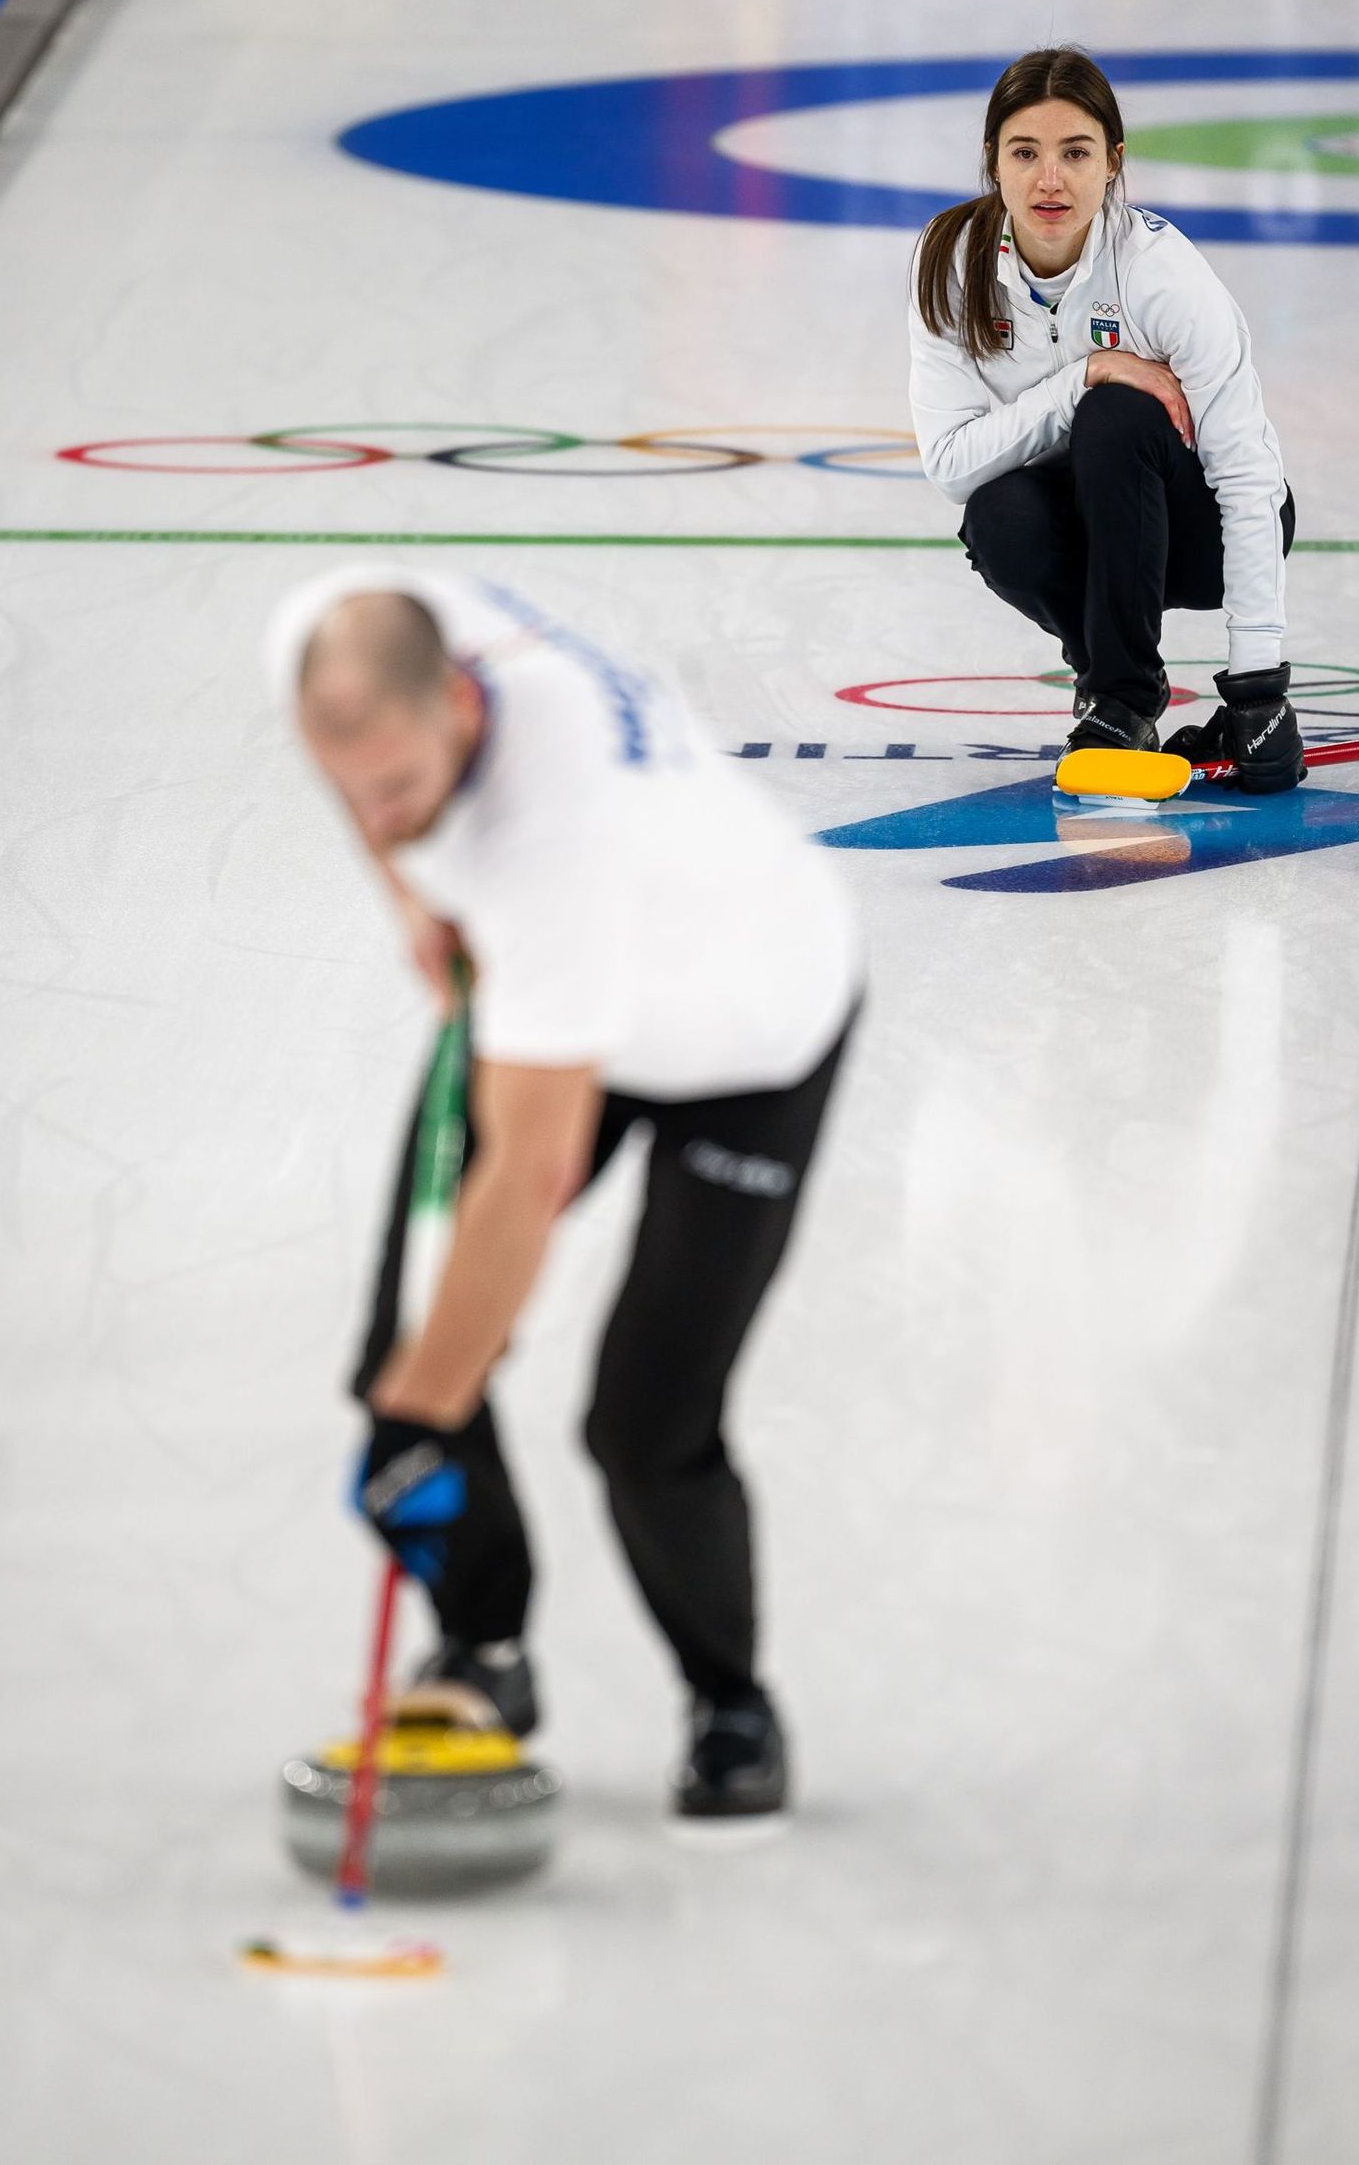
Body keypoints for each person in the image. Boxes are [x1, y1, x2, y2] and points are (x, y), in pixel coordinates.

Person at [266, 567, 862, 1823]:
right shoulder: (353, 634)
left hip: (748, 1038)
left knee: (641, 1423)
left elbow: (526, 1178)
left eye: (403, 792)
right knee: (407, 1350)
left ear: (464, 712)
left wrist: (421, 1415)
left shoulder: (552, 842)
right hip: (557, 997)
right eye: (356, 790)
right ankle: (486, 1651)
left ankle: (729, 1701)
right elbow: (364, 783)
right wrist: (413, 895)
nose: (377, 819)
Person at [908, 45, 1303, 790]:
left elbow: (1249, 478)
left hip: (1198, 532)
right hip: (1090, 537)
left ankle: (1120, 695)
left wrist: (1259, 690)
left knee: (1118, 415)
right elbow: (952, 464)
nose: (1049, 179)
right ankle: (1118, 693)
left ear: (1113, 163)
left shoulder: (1161, 275)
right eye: (1025, 152)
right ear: (993, 160)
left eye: (1076, 153)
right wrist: (1082, 374)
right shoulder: (950, 260)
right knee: (998, 516)